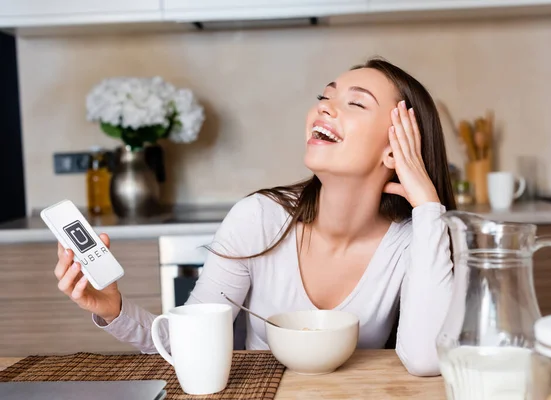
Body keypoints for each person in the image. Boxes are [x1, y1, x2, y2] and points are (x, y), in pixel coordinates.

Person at [54, 57, 456, 377]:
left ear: (395, 150)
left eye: (355, 103)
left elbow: (424, 359)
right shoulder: (258, 220)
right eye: (325, 95)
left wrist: (427, 207)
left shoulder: (414, 239)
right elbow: (185, 345)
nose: (324, 107)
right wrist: (112, 309)